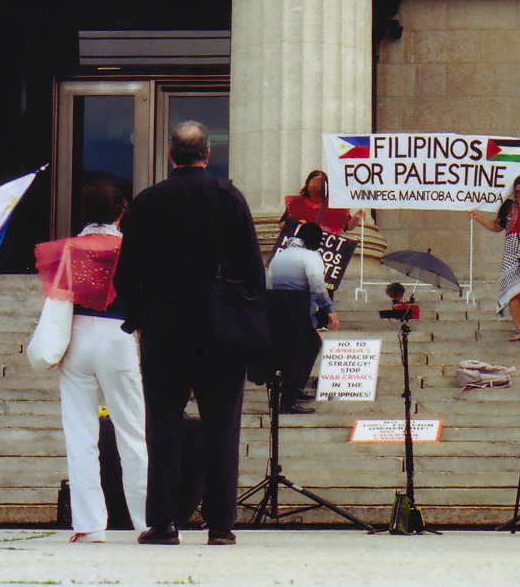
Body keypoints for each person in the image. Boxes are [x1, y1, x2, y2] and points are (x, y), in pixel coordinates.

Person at [114, 121, 264, 546]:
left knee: (162, 424)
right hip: (219, 327)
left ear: (169, 155)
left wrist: (140, 319)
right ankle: (220, 525)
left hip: (164, 325)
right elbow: (254, 271)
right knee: (222, 425)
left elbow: (127, 274)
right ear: (208, 154)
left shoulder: (147, 201)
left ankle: (163, 522)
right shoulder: (228, 197)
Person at [35, 182, 147, 543]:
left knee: (80, 432)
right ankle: (148, 520)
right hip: (120, 333)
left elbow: (57, 299)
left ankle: (89, 523)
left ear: (85, 212)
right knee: (133, 431)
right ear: (120, 212)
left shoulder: (69, 248)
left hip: (78, 333)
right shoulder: (130, 248)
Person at [266, 221, 341, 414]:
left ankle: (293, 390)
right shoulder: (310, 256)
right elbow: (317, 285)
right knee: (300, 352)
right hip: (298, 311)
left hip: (278, 310)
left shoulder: (280, 255)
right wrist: (329, 309)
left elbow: (270, 283)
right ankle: (288, 400)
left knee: (306, 347)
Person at [469, 174, 520, 342]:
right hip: (511, 254)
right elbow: (496, 226)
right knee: (513, 293)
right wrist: (478, 217)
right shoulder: (508, 206)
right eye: (517, 192)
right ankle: (519, 330)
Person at [282, 169, 363, 329]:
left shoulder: (335, 205)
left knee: (326, 283)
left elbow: (347, 227)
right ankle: (305, 319)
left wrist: (357, 217)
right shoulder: (297, 203)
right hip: (303, 250)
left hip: (326, 251)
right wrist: (300, 225)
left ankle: (322, 320)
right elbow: (282, 224)